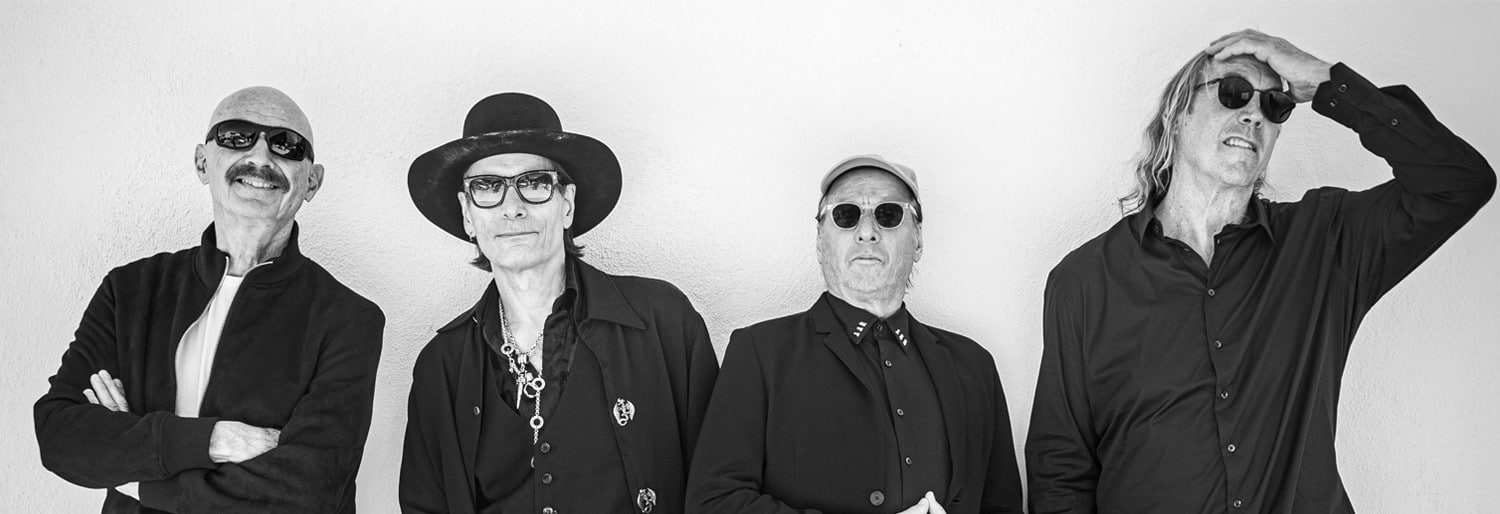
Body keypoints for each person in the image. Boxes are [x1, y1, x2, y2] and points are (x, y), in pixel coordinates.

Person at [1026, 30, 1495, 513]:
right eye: (1233, 93)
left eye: (1275, 105)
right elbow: (1061, 471)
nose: (1254, 114)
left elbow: (1459, 184)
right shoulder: (1084, 281)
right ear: (1178, 114)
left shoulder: (1326, 242)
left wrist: (1327, 82)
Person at [34, 86, 386, 513]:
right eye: (236, 136)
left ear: (312, 181)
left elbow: (308, 489)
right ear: (202, 162)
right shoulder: (129, 290)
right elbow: (59, 434)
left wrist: (138, 475)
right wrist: (213, 440)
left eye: (287, 145)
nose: (261, 156)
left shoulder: (349, 319)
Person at [400, 92, 719, 514]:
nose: (512, 209)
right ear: (467, 214)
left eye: (534, 183)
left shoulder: (664, 321)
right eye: (487, 187)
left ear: (566, 204)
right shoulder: (441, 364)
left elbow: (716, 487)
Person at [687, 155, 1024, 513]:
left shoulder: (974, 365)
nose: (867, 231)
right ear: (820, 242)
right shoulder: (760, 354)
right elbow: (713, 502)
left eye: (888, 214)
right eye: (845, 215)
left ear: (918, 241)